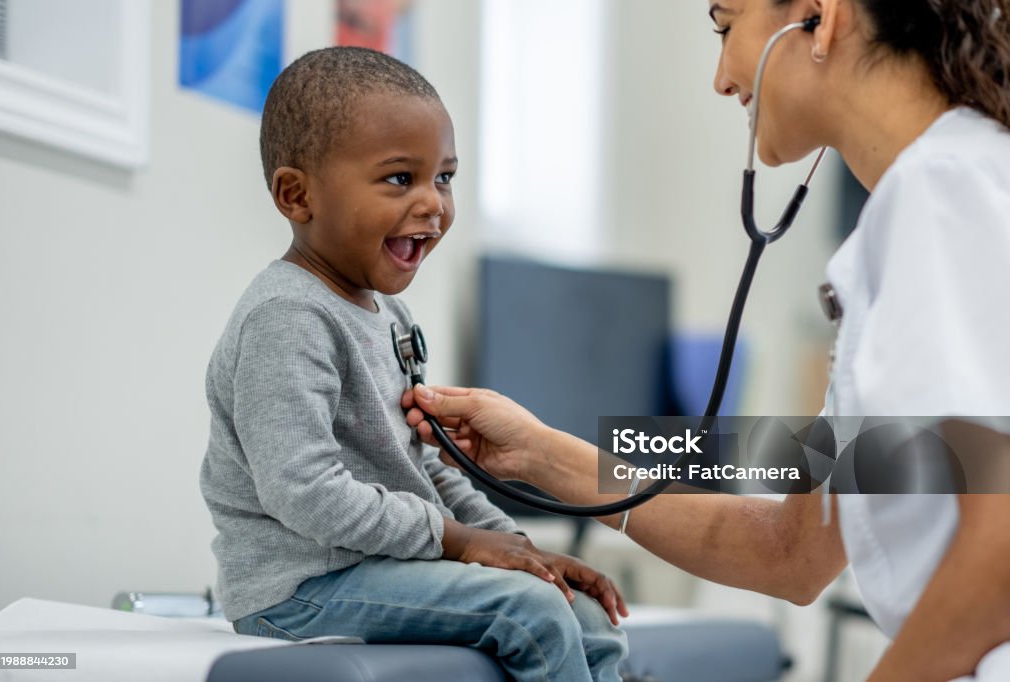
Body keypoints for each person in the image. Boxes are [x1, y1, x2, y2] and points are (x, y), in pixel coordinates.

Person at [404, 1, 1010, 680]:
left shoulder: (947, 187)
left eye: (726, 27)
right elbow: (793, 552)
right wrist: (540, 453)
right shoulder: (930, 201)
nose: (721, 78)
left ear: (817, 15)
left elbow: (1001, 549)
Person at [199, 46, 628, 682]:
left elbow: (428, 467)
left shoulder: (389, 318)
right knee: (531, 612)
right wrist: (461, 544)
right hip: (300, 590)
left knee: (581, 611)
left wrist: (523, 551)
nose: (434, 203)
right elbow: (304, 493)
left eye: (445, 178)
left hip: (382, 565)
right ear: (297, 195)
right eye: (401, 178)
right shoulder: (287, 317)